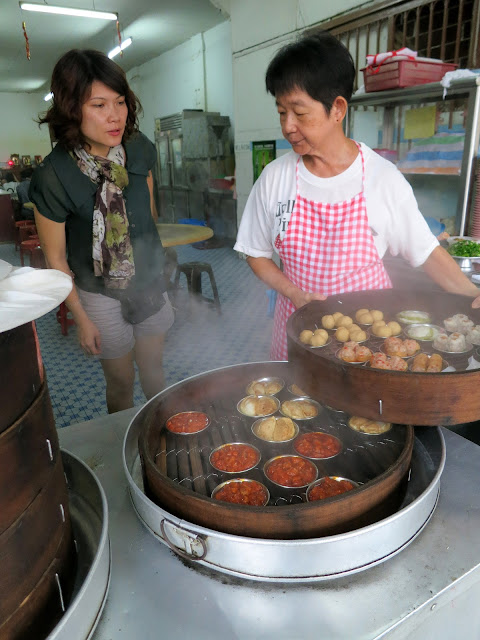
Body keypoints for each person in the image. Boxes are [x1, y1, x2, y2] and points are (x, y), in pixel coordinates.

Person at [234, 31, 480, 360]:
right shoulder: (274, 178)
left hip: (369, 343)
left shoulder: (381, 179)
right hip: (298, 333)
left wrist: (473, 294)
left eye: (299, 112)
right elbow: (255, 252)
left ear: (337, 109)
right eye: (281, 112)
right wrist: (293, 292)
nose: (288, 126)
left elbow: (426, 251)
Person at [30, 49, 174, 413]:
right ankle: (123, 444)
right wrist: (80, 317)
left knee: (155, 370)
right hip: (98, 293)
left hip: (148, 279)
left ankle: (167, 436)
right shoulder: (54, 175)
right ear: (72, 109)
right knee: (122, 382)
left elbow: (149, 215)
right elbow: (56, 259)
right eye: (99, 104)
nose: (116, 115)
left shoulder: (138, 149)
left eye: (121, 101)